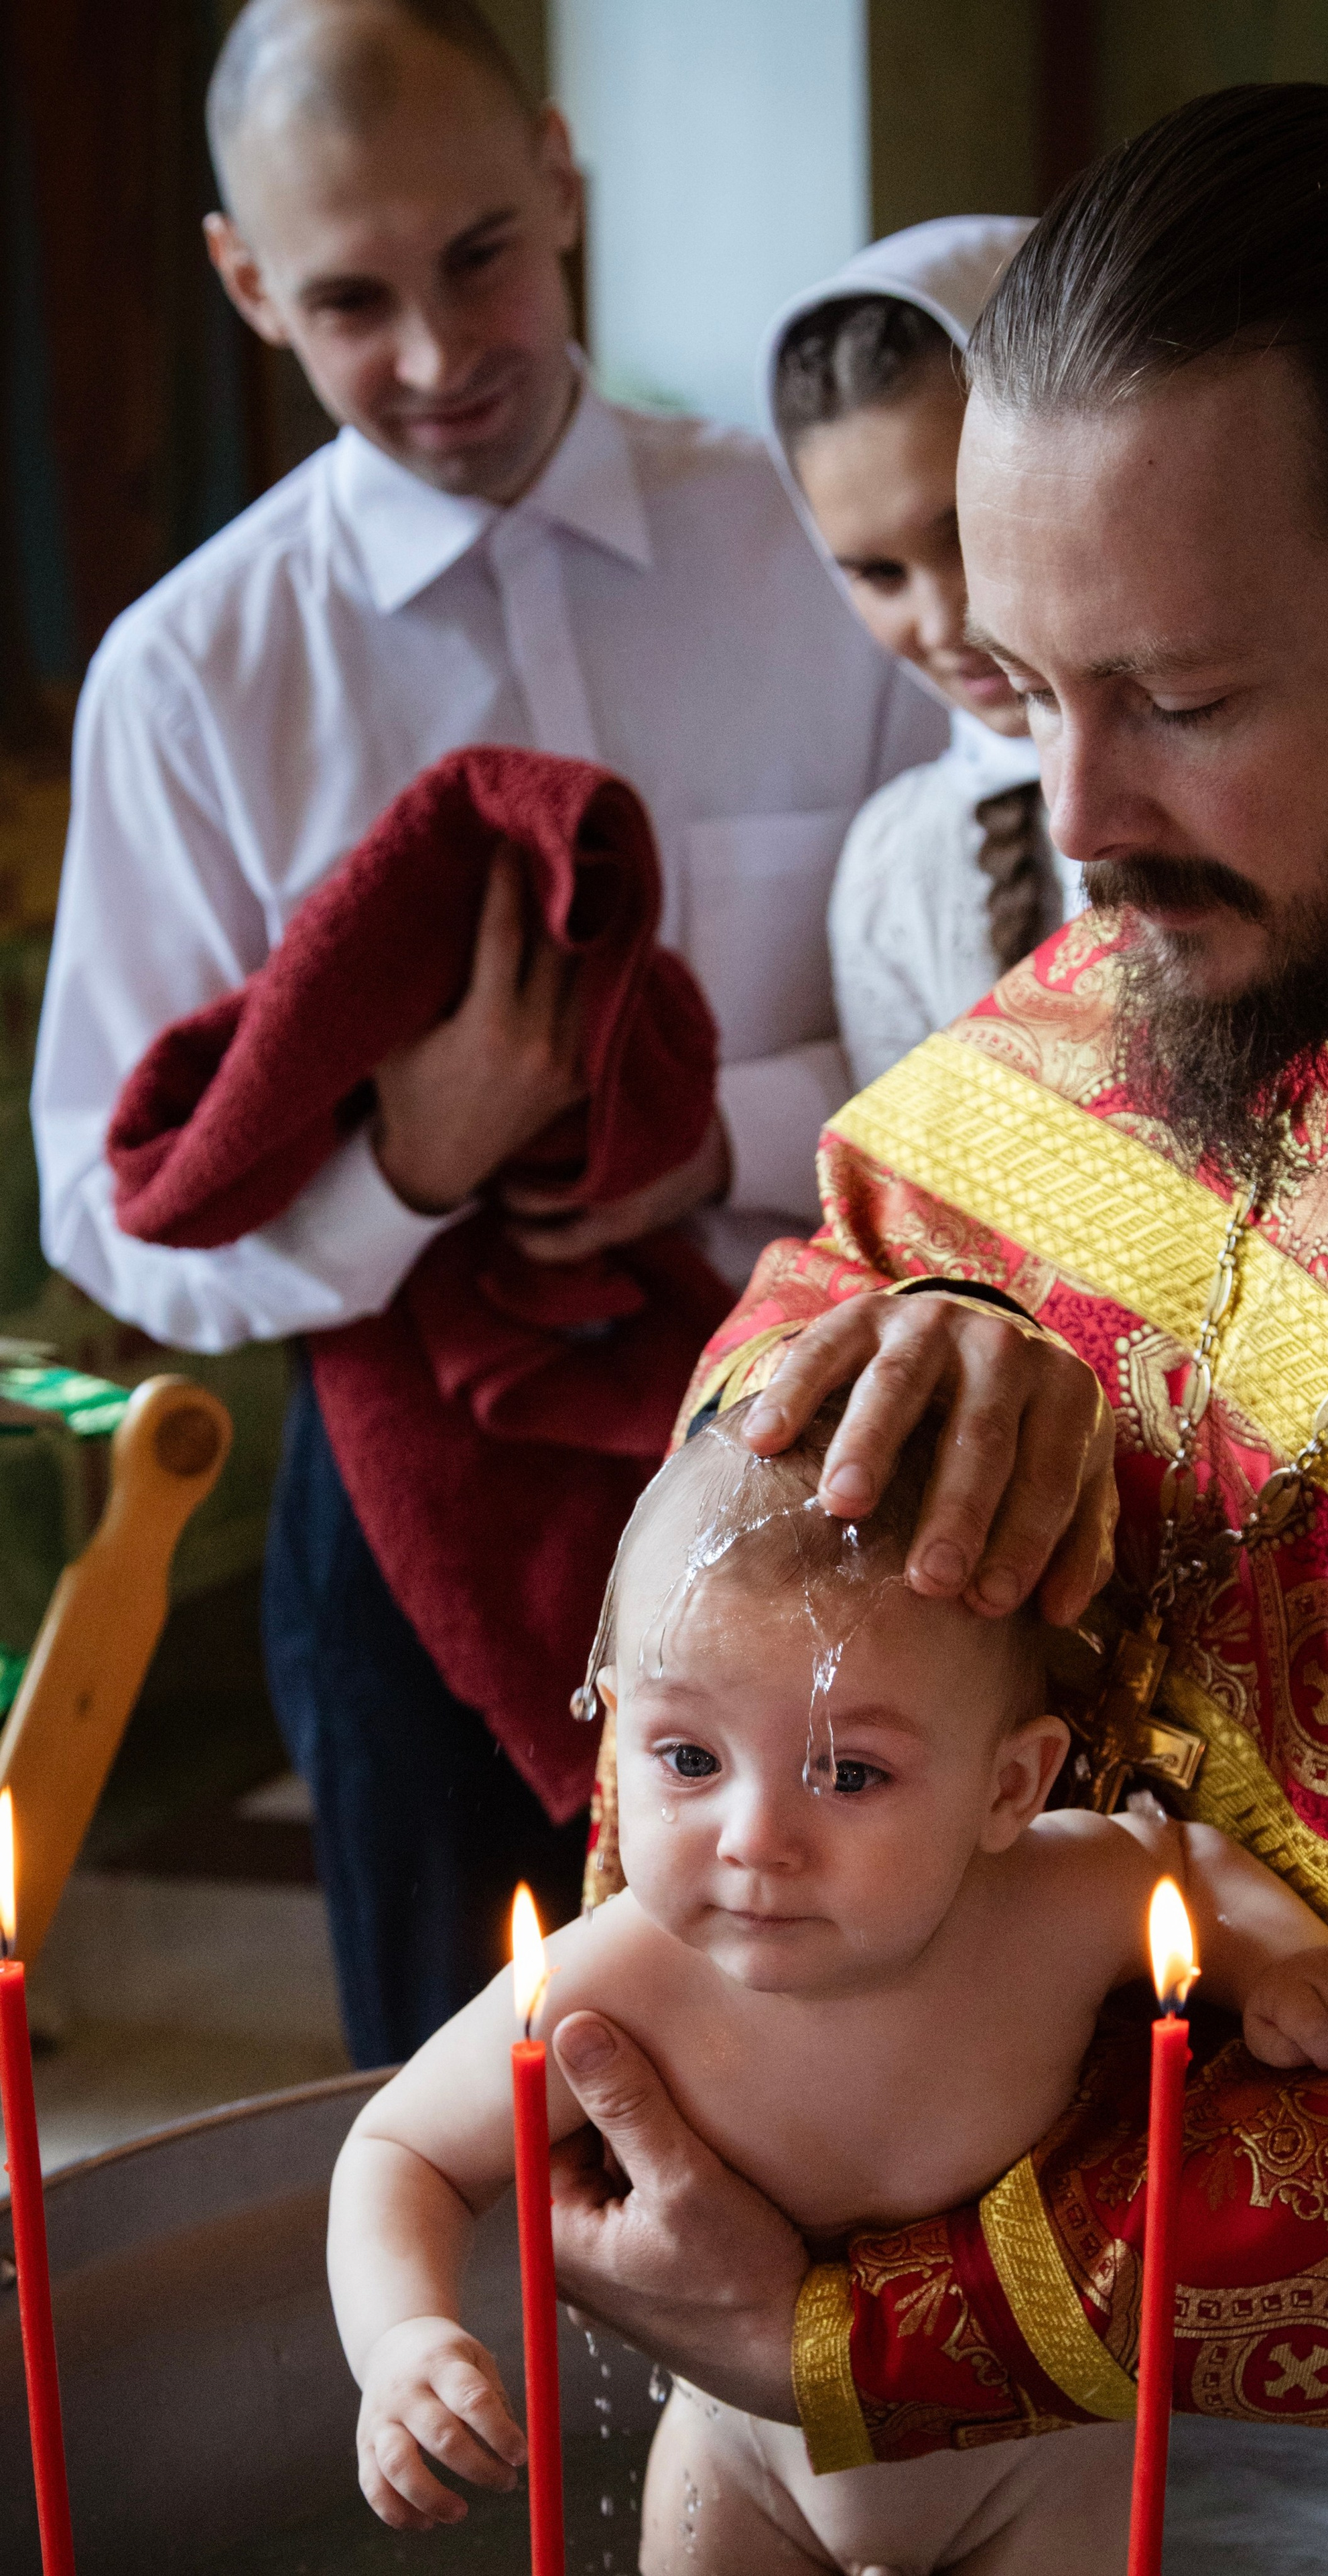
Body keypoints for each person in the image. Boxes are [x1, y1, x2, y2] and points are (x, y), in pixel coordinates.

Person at [534, 85, 1328, 2451]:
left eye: (1179, 702)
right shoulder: (1191, 922)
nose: (1077, 824)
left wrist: (887, 2337)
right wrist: (926, 1361)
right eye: (1026, 682)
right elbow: (865, 1257)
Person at [28, 0, 943, 2067]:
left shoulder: (826, 552)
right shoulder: (189, 678)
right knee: (471, 2113)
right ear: (246, 283)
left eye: (479, 258)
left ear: (561, 175)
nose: (439, 357)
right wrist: (407, 1167)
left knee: (862, 2085)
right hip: (405, 1504)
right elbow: (105, 1200)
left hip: (830, 1413)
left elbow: (987, 1000)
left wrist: (715, 1143)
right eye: (351, 297)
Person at [328, 1395, 1328, 2568]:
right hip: (741, 2473)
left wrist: (1285, 1967)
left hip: (1040, 2475)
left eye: (849, 1773)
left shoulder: (1059, 1904)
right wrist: (402, 2340)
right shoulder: (621, 1975)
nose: (754, 1837)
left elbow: (1188, 1865)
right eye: (688, 1757)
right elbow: (404, 2154)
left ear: (1011, 1788)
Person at [764, 220, 1082, 1090]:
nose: (942, 622)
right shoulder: (894, 865)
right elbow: (906, 1213)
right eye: (877, 573)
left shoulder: (1262, 785)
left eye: (968, 533)